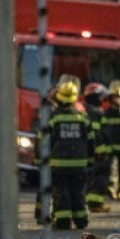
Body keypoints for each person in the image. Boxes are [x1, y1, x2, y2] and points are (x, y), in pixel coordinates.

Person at [46, 80, 94, 229]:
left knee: (61, 193)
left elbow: (45, 140)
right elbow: (91, 141)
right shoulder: (82, 118)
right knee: (78, 193)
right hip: (79, 164)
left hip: (58, 163)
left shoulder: (53, 117)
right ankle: (81, 221)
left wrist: (41, 160)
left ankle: (63, 222)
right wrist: (90, 160)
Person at [83, 83, 112, 213]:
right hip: (98, 152)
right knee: (99, 177)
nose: (103, 99)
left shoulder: (87, 110)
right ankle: (95, 204)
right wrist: (100, 150)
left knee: (92, 177)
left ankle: (92, 203)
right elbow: (96, 134)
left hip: (92, 151)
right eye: (100, 96)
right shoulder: (94, 112)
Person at [103, 80, 120, 200]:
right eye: (115, 97)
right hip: (111, 146)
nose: (117, 99)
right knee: (112, 169)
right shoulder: (107, 113)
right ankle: (112, 189)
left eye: (119, 97)